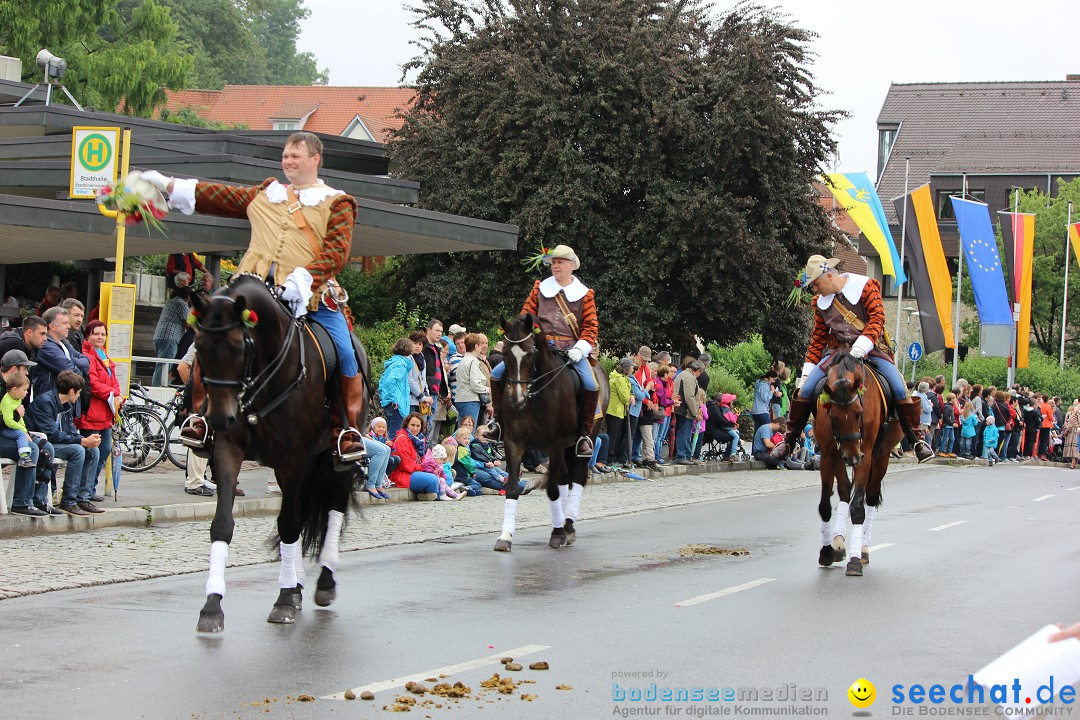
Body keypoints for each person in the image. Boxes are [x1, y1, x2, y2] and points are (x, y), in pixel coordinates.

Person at [142, 131, 367, 462]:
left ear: (315, 159)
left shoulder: (337, 201)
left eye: (296, 156)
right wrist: (168, 184)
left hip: (311, 295)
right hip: (253, 291)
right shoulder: (269, 194)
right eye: (286, 155)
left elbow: (336, 253)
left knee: (347, 353)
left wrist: (304, 278)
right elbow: (222, 197)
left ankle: (344, 428)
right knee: (212, 340)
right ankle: (199, 416)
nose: (288, 161)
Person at [778, 255, 934, 462]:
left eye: (816, 284)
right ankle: (788, 441)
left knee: (898, 388)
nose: (815, 290)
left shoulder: (867, 287)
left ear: (830, 276)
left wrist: (861, 346)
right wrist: (807, 371)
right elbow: (818, 339)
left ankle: (917, 440)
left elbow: (877, 320)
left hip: (872, 352)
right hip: (836, 354)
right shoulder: (819, 303)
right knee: (805, 390)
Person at [489, 244, 600, 456]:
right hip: (539, 347)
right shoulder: (540, 288)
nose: (555, 266)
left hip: (571, 349)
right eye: (553, 262)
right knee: (496, 373)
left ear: (571, 266)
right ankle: (498, 423)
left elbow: (591, 327)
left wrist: (581, 348)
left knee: (591, 384)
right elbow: (525, 317)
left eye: (559, 262)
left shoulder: (585, 295)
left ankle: (585, 434)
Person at [27, 370, 101, 516]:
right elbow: (51, 434)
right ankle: (68, 501)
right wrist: (81, 441)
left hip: (56, 442)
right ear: (71, 391)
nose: (79, 396)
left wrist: (85, 440)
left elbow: (71, 430)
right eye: (79, 393)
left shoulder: (67, 404)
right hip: (43, 443)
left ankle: (83, 498)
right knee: (77, 450)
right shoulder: (45, 402)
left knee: (93, 450)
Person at [1, 350, 56, 515]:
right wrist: (18, 415)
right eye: (25, 368)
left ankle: (38, 500)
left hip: (12, 433)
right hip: (4, 435)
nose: (28, 372)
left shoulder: (16, 389)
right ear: (14, 369)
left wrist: (24, 431)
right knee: (31, 450)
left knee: (47, 449)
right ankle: (21, 502)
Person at [74, 320, 123, 500]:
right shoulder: (88, 356)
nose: (100, 337)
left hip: (106, 413)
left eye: (103, 334)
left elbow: (114, 381)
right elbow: (93, 385)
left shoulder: (103, 355)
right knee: (92, 454)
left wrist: (117, 395)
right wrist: (114, 393)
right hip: (92, 412)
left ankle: (90, 488)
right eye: (96, 334)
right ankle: (84, 491)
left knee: (103, 452)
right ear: (88, 336)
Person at [152, 286, 190, 387]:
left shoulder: (170, 302)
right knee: (165, 365)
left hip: (159, 336)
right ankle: (158, 390)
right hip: (170, 338)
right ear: (188, 297)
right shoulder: (182, 304)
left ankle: (157, 386)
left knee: (160, 365)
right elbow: (187, 323)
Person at [379, 338, 417, 438]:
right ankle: (392, 453)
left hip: (389, 403)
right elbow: (390, 381)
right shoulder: (400, 365)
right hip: (397, 405)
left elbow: (382, 381)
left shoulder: (392, 363)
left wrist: (384, 397)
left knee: (388, 432)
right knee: (394, 435)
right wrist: (393, 398)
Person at [454, 333, 490, 433]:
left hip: (461, 399)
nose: (482, 347)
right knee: (468, 431)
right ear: (476, 346)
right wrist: (488, 389)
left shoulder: (463, 360)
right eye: (480, 344)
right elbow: (475, 385)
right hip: (470, 399)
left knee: (461, 430)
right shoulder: (473, 362)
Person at [672, 360, 704, 464]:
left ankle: (685, 455)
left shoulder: (684, 375)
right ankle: (682, 456)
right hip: (685, 410)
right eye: (700, 373)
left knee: (684, 432)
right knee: (684, 433)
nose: (700, 375)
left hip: (683, 409)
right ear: (698, 370)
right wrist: (695, 413)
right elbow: (689, 397)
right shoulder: (688, 377)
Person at [0, 373, 36, 467]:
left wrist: (24, 428)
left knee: (23, 434)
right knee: (20, 434)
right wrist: (22, 430)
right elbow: (8, 421)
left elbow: (19, 418)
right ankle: (23, 457)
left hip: (12, 427)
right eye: (24, 390)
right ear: (15, 389)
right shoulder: (7, 402)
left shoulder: (16, 399)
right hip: (5, 430)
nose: (27, 392)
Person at [605, 357, 633, 466]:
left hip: (618, 411)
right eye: (631, 367)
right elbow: (624, 397)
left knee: (616, 435)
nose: (632, 369)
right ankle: (610, 459)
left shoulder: (621, 377)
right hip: (615, 410)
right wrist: (630, 396)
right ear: (626, 368)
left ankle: (613, 458)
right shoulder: (619, 379)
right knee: (614, 436)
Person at [1063, 400, 1080, 470]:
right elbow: (1066, 422)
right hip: (1070, 432)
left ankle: (1073, 462)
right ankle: (1073, 461)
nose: (1075, 406)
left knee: (1076, 447)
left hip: (1077, 431)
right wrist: (1067, 427)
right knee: (1071, 447)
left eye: (1077, 405)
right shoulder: (1069, 413)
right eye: (1074, 405)